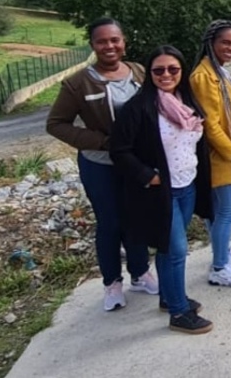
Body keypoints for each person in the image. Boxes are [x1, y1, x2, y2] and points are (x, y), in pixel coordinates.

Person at [46, 17, 158, 312]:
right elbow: (56, 124)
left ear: (124, 42)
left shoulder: (138, 71)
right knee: (110, 223)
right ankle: (112, 284)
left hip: (135, 163)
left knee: (135, 217)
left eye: (114, 40)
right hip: (101, 164)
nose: (109, 46)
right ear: (93, 45)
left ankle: (140, 273)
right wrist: (101, 141)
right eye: (102, 41)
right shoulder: (78, 82)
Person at [111, 45, 214, 334]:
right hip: (159, 192)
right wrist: (148, 176)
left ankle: (170, 298)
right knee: (177, 250)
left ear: (182, 71)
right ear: (149, 73)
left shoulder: (186, 101)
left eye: (173, 69)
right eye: (158, 70)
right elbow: (119, 150)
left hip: (187, 185)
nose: (166, 75)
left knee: (169, 251)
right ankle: (180, 313)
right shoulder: (139, 107)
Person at [190, 20, 231, 287]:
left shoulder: (221, 72)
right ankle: (219, 267)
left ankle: (224, 251)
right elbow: (210, 124)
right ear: (211, 43)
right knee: (229, 208)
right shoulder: (203, 77)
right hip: (220, 154)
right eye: (225, 43)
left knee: (218, 210)